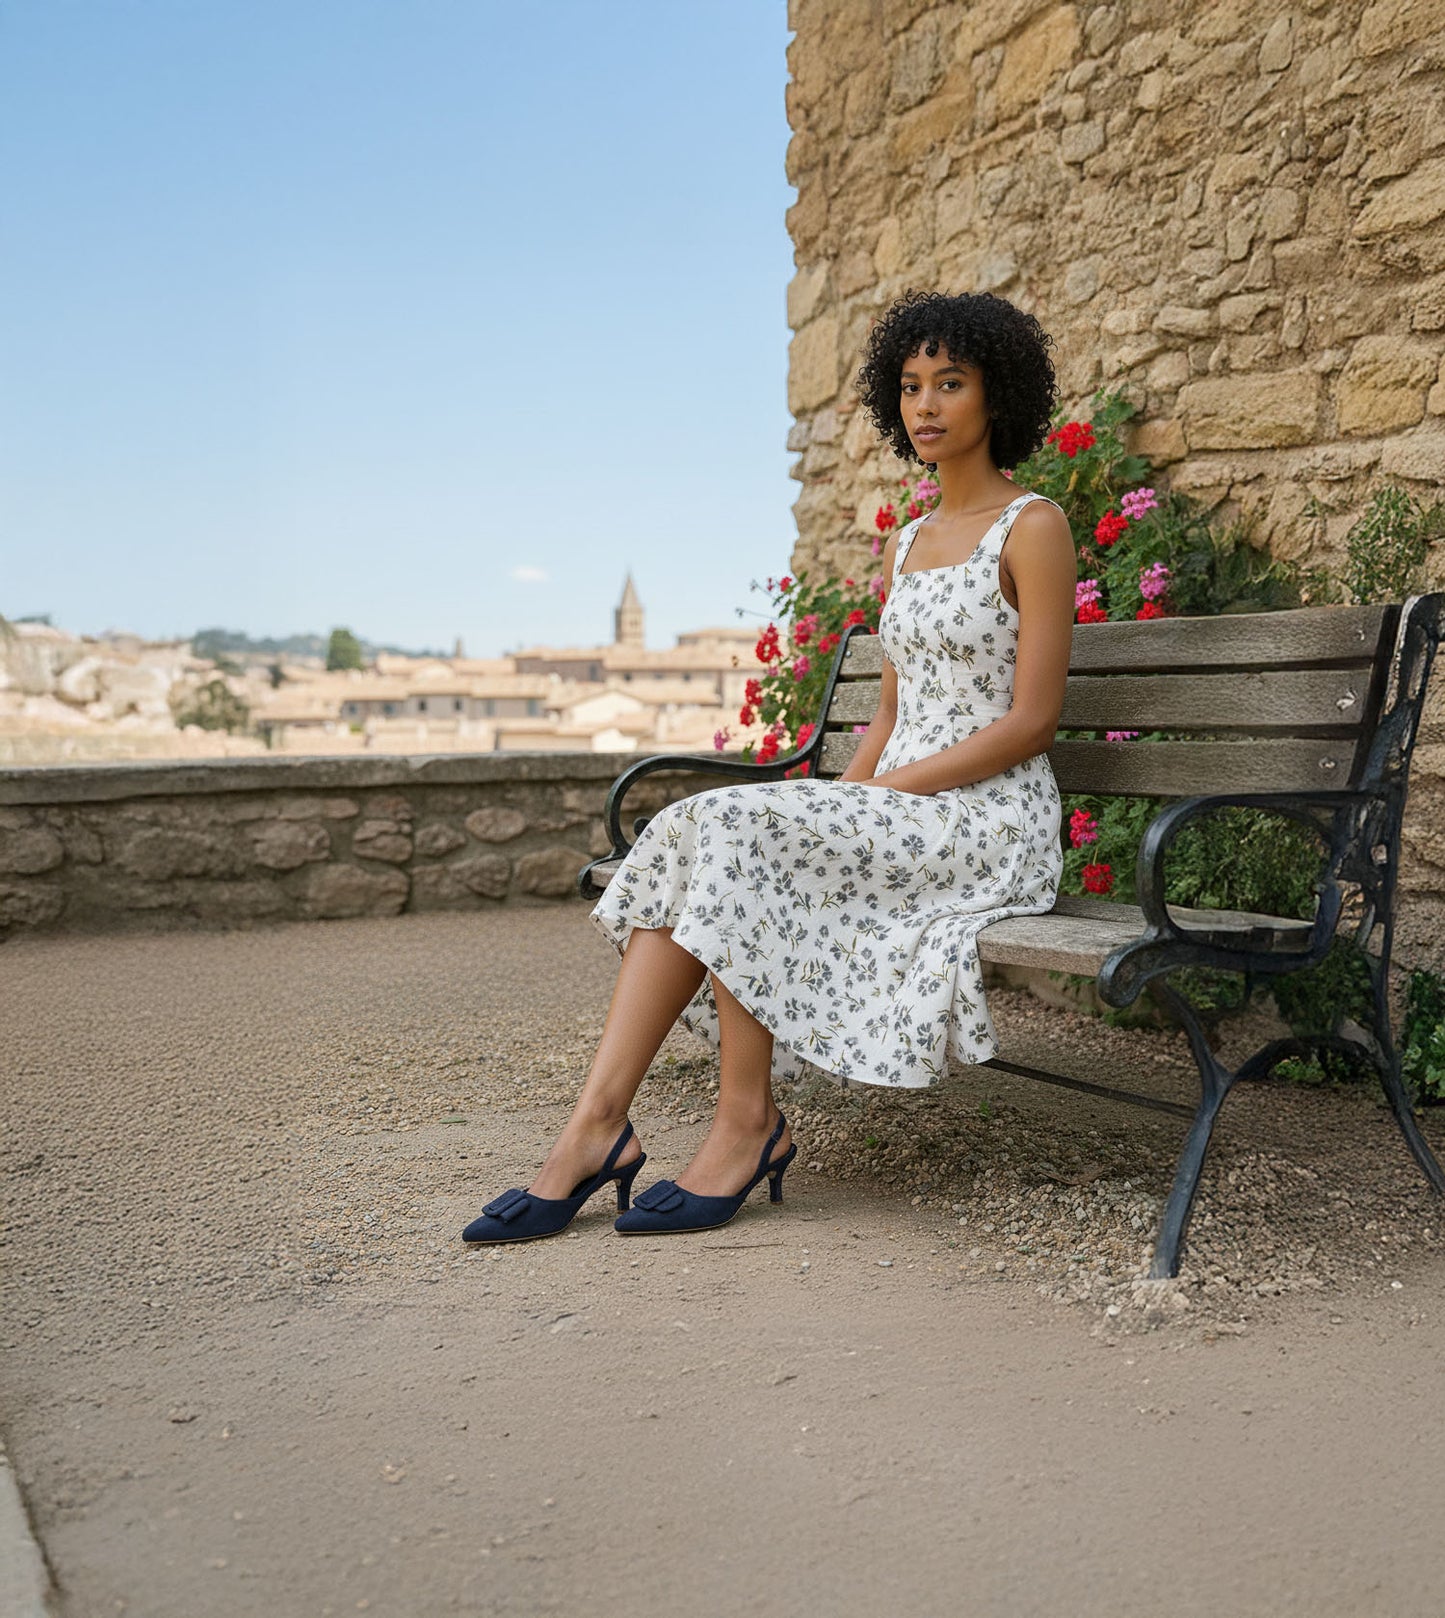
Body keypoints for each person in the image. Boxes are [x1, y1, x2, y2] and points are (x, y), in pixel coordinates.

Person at [462, 288, 1076, 1244]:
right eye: (910, 386)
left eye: (949, 384)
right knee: (691, 828)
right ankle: (597, 1128)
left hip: (985, 820)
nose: (925, 406)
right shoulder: (908, 542)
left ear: (997, 398)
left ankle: (745, 1125)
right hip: (899, 805)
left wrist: (877, 796)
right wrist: (848, 797)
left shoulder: (1032, 527)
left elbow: (1033, 720)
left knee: (745, 834)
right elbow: (889, 708)